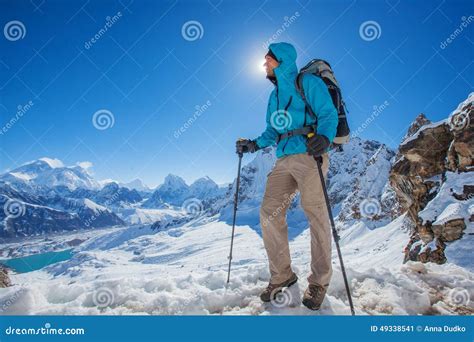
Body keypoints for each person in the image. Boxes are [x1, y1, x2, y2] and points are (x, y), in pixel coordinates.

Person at [236, 42, 338, 311]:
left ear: (281, 61)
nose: (263, 64)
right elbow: (272, 130)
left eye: (267, 59)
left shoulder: (309, 83)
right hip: (283, 159)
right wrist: (254, 144)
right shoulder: (274, 96)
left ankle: (319, 282)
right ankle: (282, 276)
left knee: (315, 214)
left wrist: (325, 138)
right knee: (269, 213)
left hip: (310, 154)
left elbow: (328, 114)